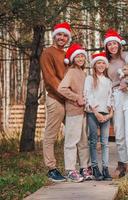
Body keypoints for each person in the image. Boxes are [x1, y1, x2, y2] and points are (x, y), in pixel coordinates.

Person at [104, 29, 128, 177]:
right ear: (106, 47)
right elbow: (107, 83)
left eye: (114, 43)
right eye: (109, 44)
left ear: (119, 44)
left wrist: (126, 81)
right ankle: (122, 165)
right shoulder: (108, 63)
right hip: (117, 97)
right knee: (119, 134)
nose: (112, 46)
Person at [40, 22, 71, 182]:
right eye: (60, 34)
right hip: (56, 99)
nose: (62, 38)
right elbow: (50, 79)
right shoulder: (47, 53)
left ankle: (74, 168)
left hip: (68, 100)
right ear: (54, 35)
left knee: (74, 133)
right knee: (51, 134)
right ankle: (51, 169)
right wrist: (68, 95)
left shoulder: (66, 55)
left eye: (65, 35)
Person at [58, 44, 92, 182]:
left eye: (82, 56)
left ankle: (84, 168)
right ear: (73, 58)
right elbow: (62, 89)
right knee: (71, 141)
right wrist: (76, 97)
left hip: (83, 112)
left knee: (83, 141)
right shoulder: (71, 72)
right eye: (77, 56)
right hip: (73, 111)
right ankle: (71, 170)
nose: (80, 58)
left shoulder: (83, 73)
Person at [84, 51, 113, 181]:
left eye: (103, 63)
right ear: (94, 65)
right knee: (93, 140)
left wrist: (109, 113)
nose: (100, 65)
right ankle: (95, 167)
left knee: (105, 142)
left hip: (106, 114)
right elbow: (88, 95)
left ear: (105, 65)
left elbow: (110, 97)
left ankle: (105, 168)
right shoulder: (89, 79)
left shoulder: (108, 81)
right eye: (98, 63)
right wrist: (96, 112)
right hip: (93, 113)